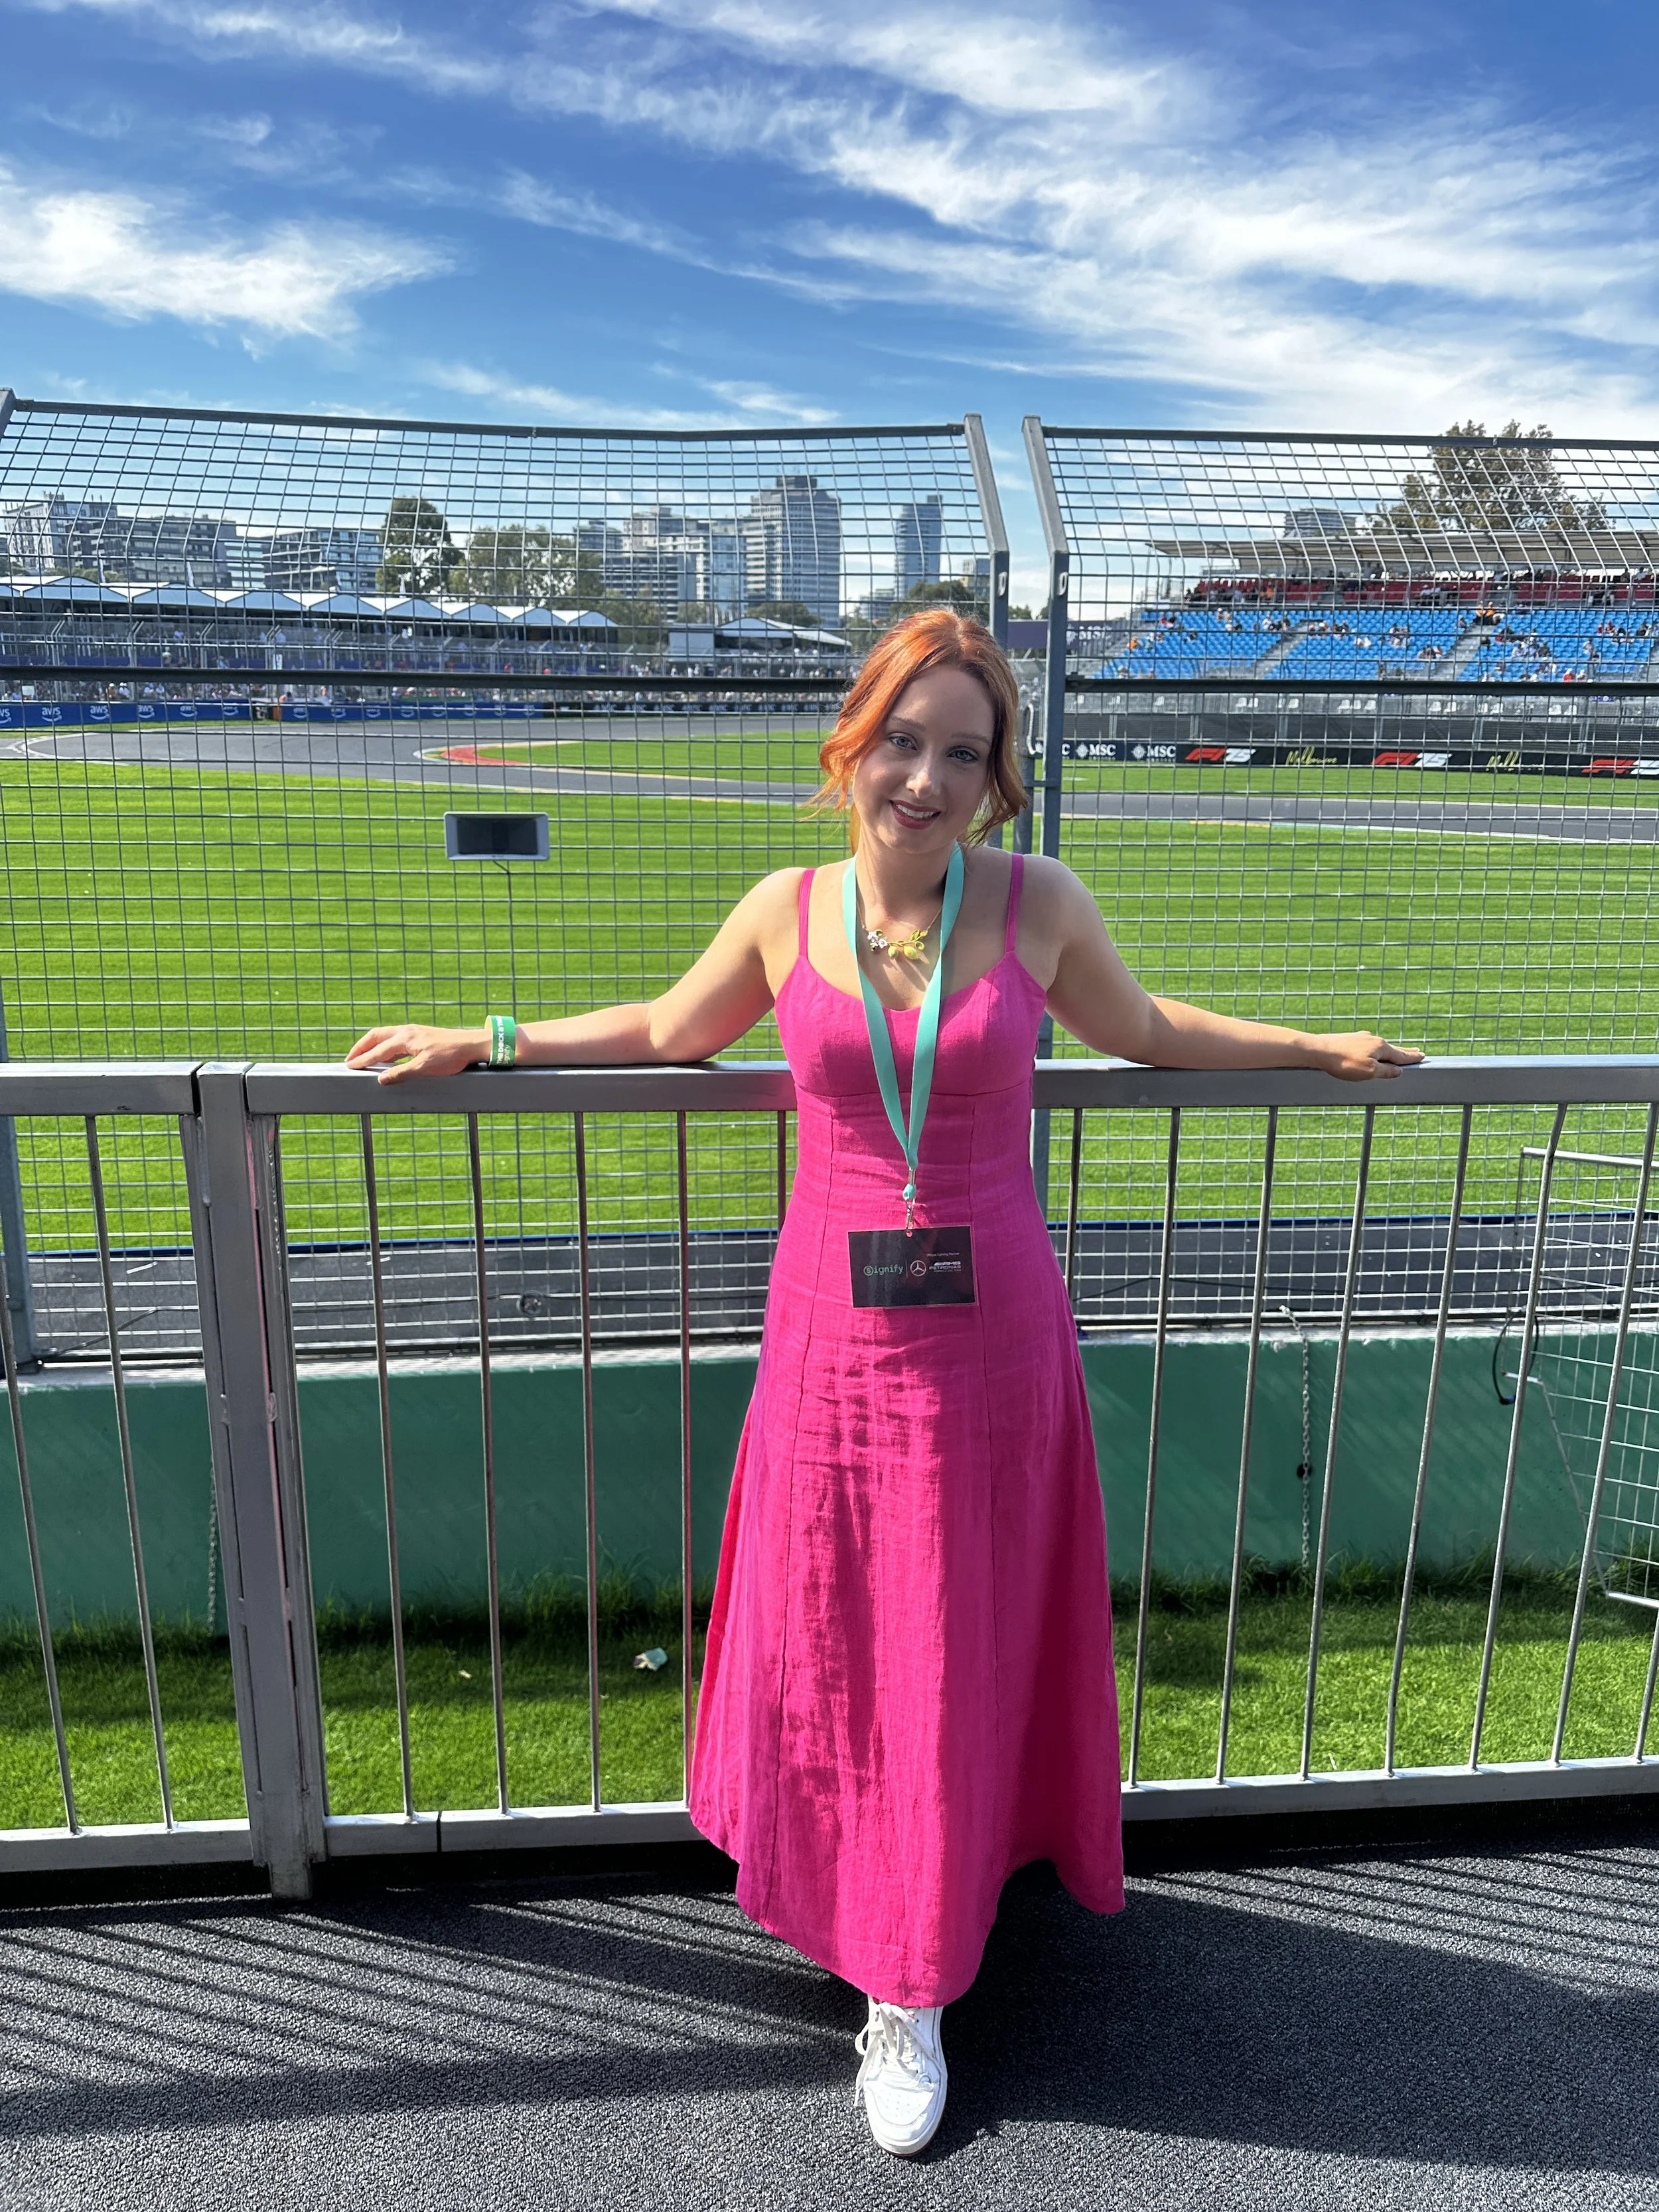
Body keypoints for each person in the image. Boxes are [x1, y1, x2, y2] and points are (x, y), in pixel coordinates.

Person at [346, 611, 1422, 2158]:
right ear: (853, 742)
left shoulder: (1036, 900)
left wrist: (1312, 1045)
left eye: (963, 753)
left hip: (992, 1347)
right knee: (857, 1628)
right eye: (902, 740)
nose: (925, 777)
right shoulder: (786, 910)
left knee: (960, 1623)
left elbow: (1143, 1029)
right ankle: (896, 1973)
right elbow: (666, 1029)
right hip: (834, 1353)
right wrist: (487, 1035)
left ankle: (938, 1922)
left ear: (996, 784)